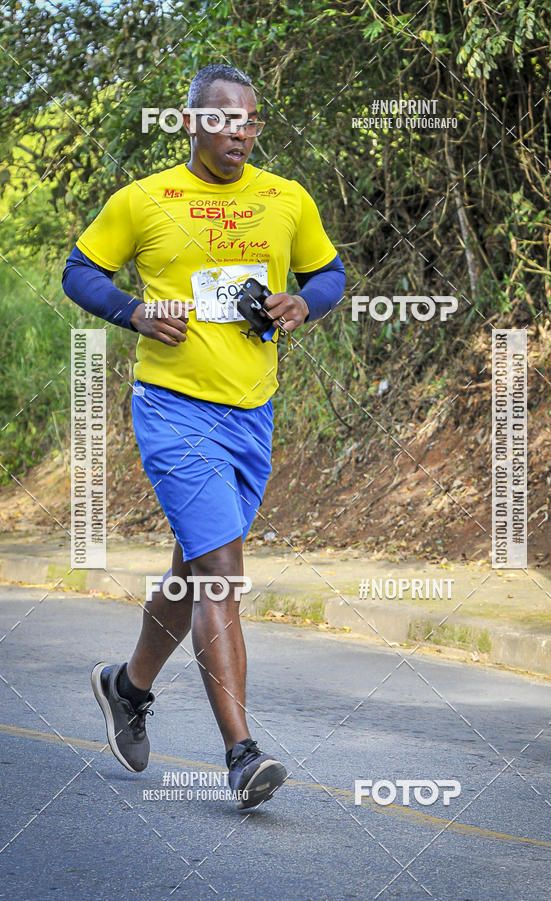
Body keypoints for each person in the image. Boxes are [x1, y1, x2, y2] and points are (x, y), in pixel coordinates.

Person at [62, 63, 345, 809]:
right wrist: (132, 312)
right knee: (223, 570)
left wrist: (301, 305)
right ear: (191, 123)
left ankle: (126, 687)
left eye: (251, 121)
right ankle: (242, 754)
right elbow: (79, 269)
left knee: (193, 568)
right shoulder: (146, 199)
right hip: (174, 409)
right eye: (224, 120)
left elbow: (330, 272)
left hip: (252, 413)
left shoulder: (287, 200)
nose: (240, 133)